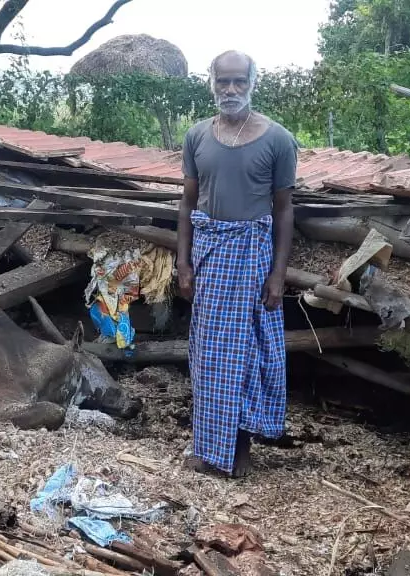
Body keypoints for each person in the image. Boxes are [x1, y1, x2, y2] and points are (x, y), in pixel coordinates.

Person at [176, 50, 297, 478]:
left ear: (251, 82)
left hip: (252, 258)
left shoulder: (277, 140)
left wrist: (278, 275)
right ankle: (210, 448)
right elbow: (188, 203)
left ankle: (239, 448)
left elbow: (284, 210)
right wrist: (183, 263)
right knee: (208, 357)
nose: (230, 90)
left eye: (238, 82)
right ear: (211, 82)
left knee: (247, 357)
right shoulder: (197, 137)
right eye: (223, 81)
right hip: (210, 258)